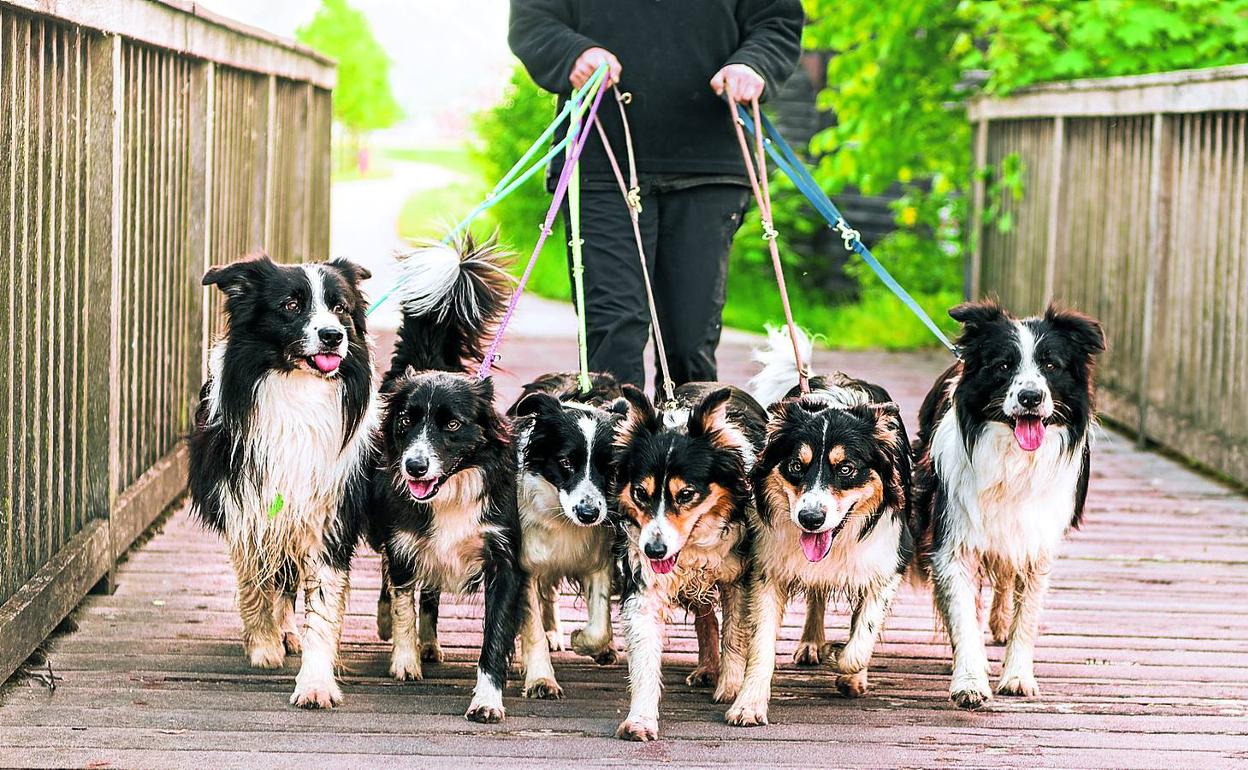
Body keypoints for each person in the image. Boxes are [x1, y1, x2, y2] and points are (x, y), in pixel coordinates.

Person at [509, 0, 804, 393]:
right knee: (613, 334)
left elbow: (776, 18)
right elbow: (534, 18)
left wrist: (753, 64)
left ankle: (688, 451)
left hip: (710, 163)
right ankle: (617, 450)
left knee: (690, 342)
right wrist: (572, 53)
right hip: (601, 159)